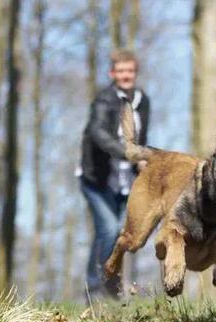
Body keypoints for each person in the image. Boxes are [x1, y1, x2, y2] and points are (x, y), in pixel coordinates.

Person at [77, 49, 150, 298]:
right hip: (96, 179)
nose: (125, 75)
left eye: (129, 71)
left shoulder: (143, 100)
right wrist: (126, 153)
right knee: (109, 228)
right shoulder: (104, 100)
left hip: (125, 180)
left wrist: (143, 160)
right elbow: (97, 133)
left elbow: (142, 138)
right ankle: (95, 287)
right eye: (120, 71)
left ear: (135, 72)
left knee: (117, 233)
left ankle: (110, 287)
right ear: (112, 73)